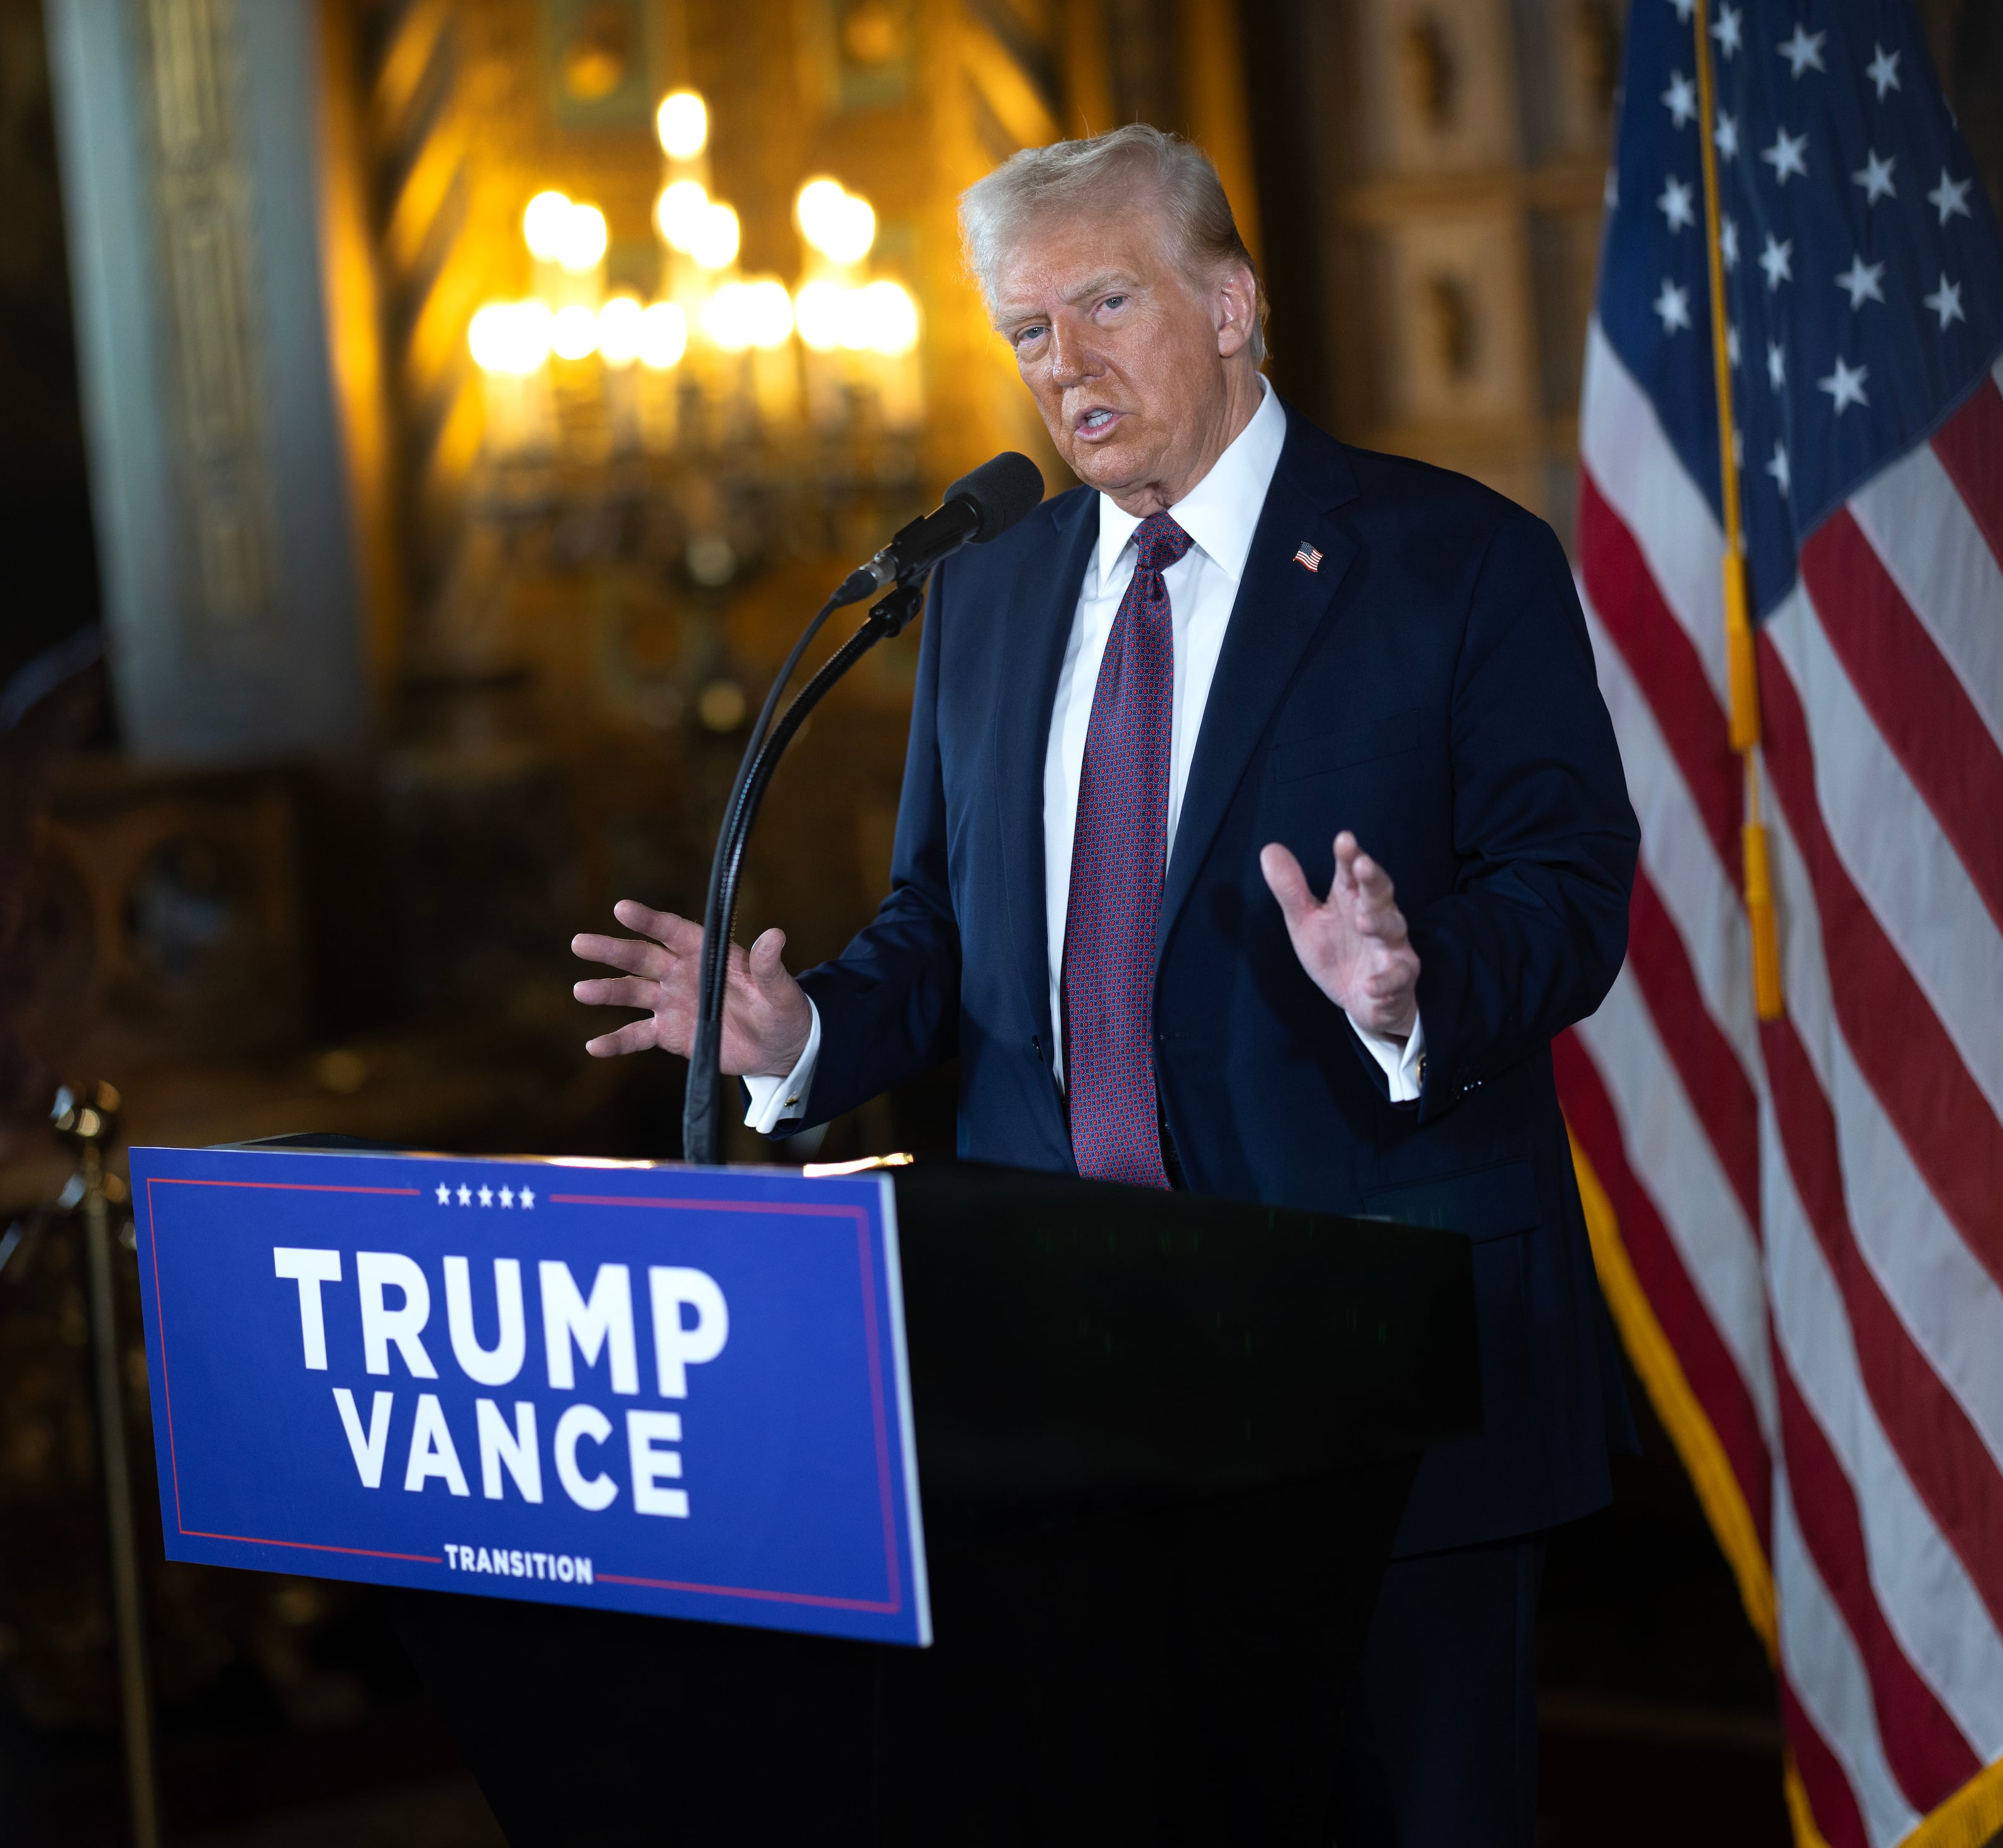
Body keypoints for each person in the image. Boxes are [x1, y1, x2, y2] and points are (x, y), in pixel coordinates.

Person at [569, 125, 1638, 1845]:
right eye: (1026, 332)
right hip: (1077, 1379)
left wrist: (1407, 983)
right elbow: (943, 923)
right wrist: (808, 1030)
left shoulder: (1455, 560)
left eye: (1107, 303)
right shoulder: (984, 592)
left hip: (1380, 1359)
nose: (1064, 366)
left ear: (1234, 304)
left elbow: (1571, 891)